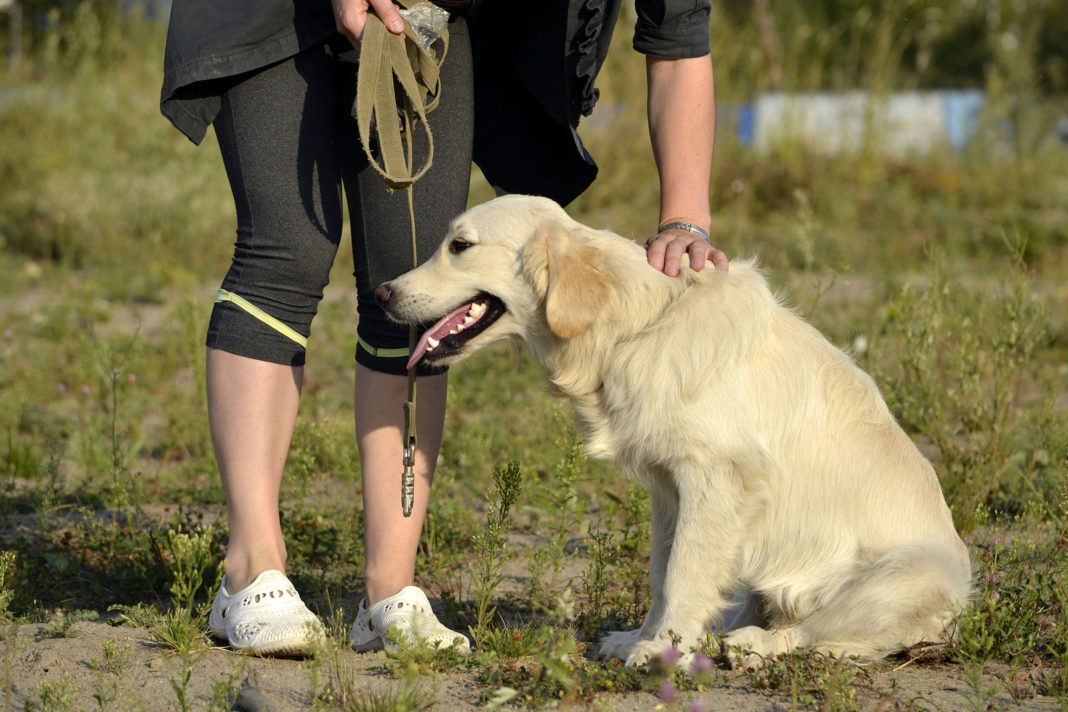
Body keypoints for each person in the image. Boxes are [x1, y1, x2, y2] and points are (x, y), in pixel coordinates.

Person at [159, 0, 725, 657]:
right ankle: (250, 570)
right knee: (288, 249)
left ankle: (389, 591)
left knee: (416, 276)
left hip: (424, 11)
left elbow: (678, 36)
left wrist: (685, 216)